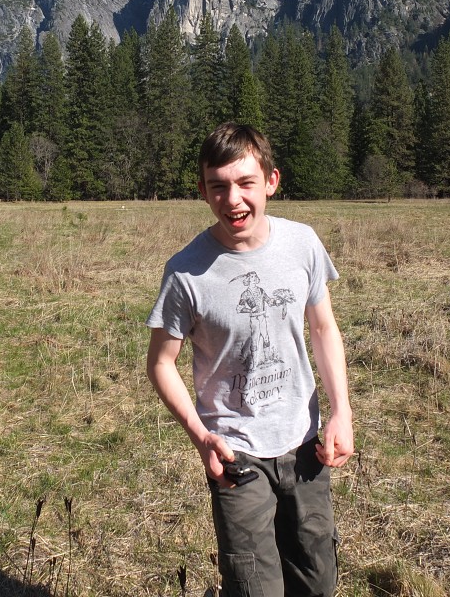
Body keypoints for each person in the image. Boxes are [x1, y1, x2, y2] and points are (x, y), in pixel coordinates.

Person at [146, 123, 354, 597]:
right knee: (254, 587)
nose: (233, 199)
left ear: (271, 182)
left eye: (245, 183)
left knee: (317, 579)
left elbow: (323, 328)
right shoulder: (185, 273)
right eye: (218, 186)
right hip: (235, 455)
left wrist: (341, 411)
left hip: (305, 445)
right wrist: (201, 437)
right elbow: (160, 363)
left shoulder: (302, 243)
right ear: (202, 191)